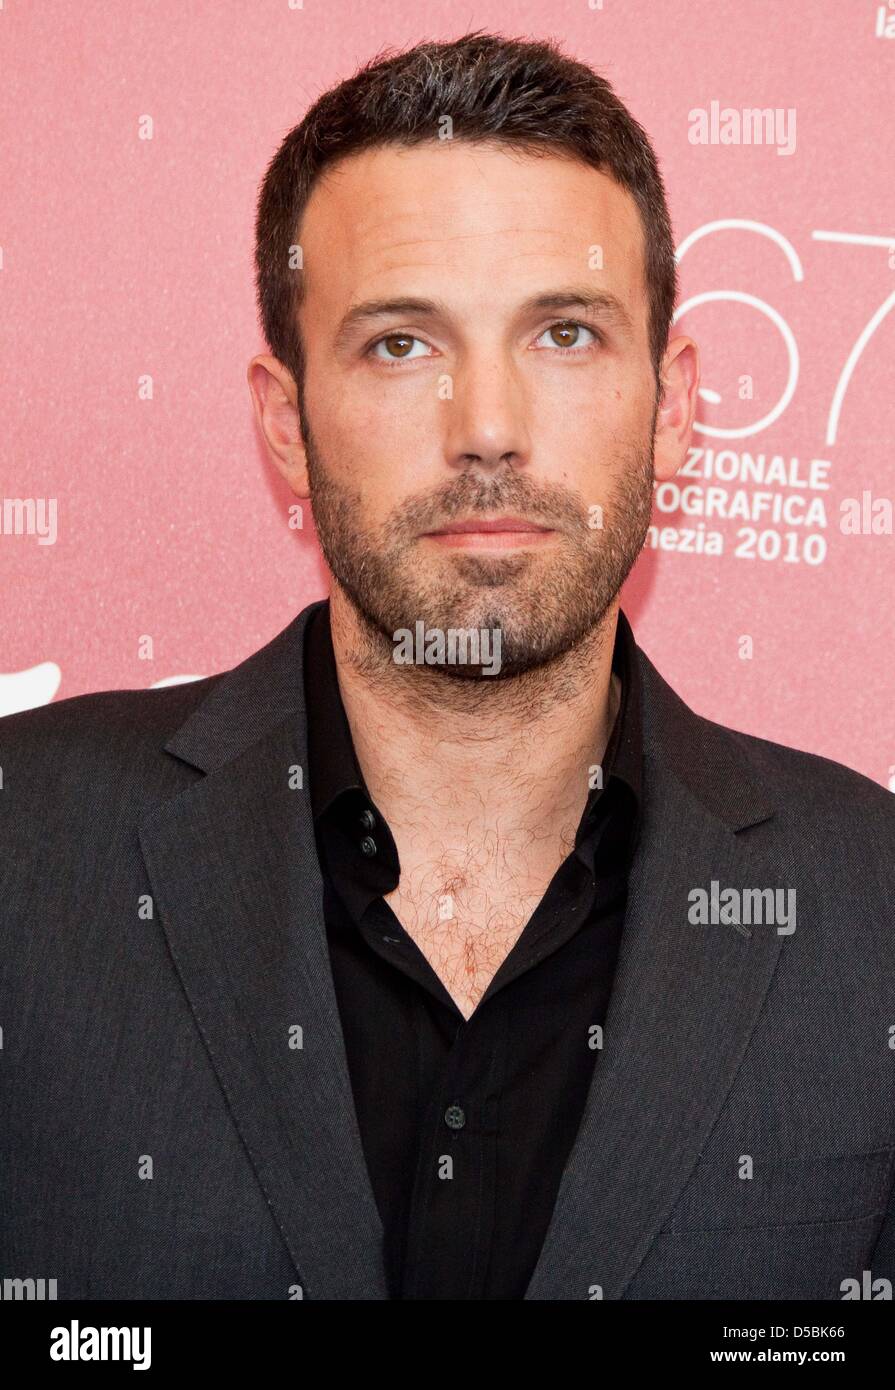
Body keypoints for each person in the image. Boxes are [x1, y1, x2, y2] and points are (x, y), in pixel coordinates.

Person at [1, 31, 893, 1302]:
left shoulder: (871, 906)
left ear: (676, 406)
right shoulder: (24, 848)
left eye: (567, 334)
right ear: (284, 421)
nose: (487, 429)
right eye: (400, 345)